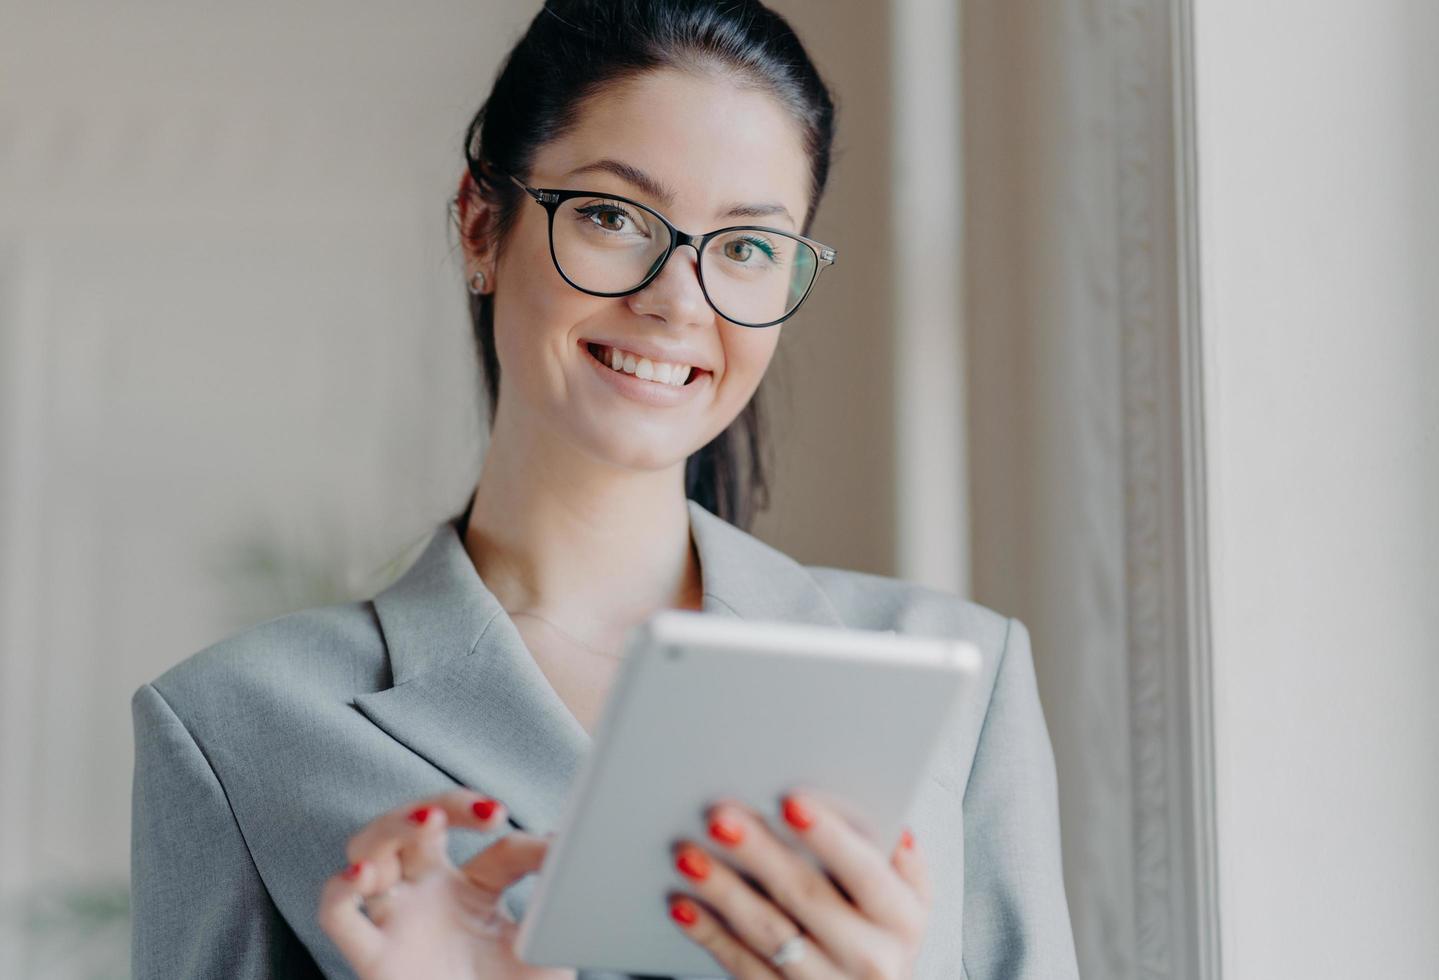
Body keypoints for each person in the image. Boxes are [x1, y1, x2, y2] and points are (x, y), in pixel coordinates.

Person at [128, 2, 1081, 978]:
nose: (677, 298)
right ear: (479, 225)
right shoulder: (236, 723)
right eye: (613, 215)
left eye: (748, 245)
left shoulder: (955, 677)